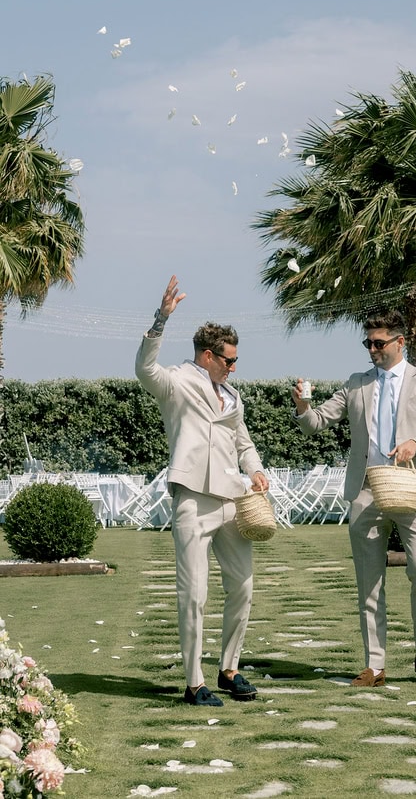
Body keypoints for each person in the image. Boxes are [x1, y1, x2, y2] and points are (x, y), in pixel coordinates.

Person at [292, 310, 416, 689]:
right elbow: (315, 423)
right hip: (365, 493)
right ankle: (375, 666)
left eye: (379, 343)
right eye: (367, 343)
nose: (372, 350)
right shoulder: (356, 384)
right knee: (369, 582)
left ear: (400, 342)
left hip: (413, 490)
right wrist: (302, 405)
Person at [135, 275, 269, 707]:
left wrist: (257, 471)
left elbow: (243, 441)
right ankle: (194, 683)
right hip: (192, 496)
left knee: (243, 585)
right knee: (194, 593)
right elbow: (144, 368)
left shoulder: (232, 395)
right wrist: (161, 320)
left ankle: (229, 668)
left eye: (236, 360)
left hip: (233, 499)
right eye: (229, 360)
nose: (234, 367)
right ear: (208, 356)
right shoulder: (175, 382)